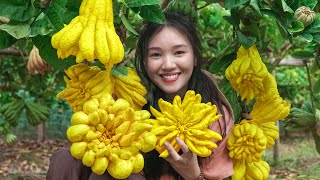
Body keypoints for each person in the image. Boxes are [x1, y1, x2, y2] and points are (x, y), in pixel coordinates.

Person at [47, 12, 234, 180]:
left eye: (179, 52)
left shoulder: (215, 116)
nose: (168, 64)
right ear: (144, 62)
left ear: (195, 57)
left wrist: (192, 174)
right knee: (66, 159)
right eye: (156, 55)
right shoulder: (131, 96)